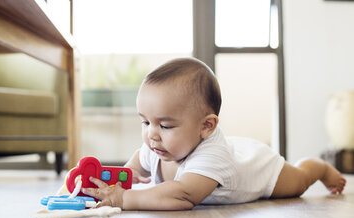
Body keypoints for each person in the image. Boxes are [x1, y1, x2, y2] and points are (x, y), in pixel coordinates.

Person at [82, 57, 346, 210]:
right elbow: (136, 165)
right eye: (145, 122)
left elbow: (183, 195)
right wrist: (119, 183)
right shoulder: (156, 146)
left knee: (297, 184)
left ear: (206, 126)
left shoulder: (212, 155)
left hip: (261, 170)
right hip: (236, 149)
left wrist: (125, 199)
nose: (152, 135)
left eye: (165, 125)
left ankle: (318, 168)